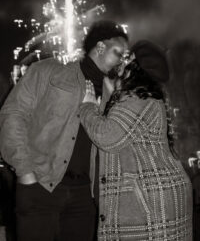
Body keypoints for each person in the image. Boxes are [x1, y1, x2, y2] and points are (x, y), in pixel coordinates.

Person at [0, 20, 129, 241]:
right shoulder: (48, 71)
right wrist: (25, 172)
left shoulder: (115, 95)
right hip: (40, 186)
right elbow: (13, 115)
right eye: (119, 53)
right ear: (100, 48)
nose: (123, 60)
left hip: (84, 197)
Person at [79, 40, 193, 240]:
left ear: (136, 66)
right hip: (156, 196)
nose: (122, 62)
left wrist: (87, 107)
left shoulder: (138, 99)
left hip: (149, 204)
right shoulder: (146, 97)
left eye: (128, 58)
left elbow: (107, 137)